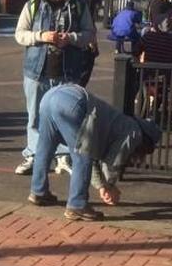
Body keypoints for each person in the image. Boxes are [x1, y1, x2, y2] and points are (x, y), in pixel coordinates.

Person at [29, 83, 161, 221]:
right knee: (81, 155)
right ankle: (77, 205)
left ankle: (38, 191)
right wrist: (109, 186)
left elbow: (95, 160)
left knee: (45, 148)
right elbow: (112, 162)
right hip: (71, 103)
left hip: (51, 96)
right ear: (147, 141)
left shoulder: (119, 122)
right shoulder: (134, 132)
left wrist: (101, 186)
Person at [14, 0, 96, 175]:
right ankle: (33, 154)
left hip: (67, 71)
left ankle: (62, 156)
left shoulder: (78, 6)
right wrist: (41, 36)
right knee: (34, 116)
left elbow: (89, 33)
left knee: (65, 115)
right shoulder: (33, 5)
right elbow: (20, 34)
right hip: (36, 71)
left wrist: (71, 38)